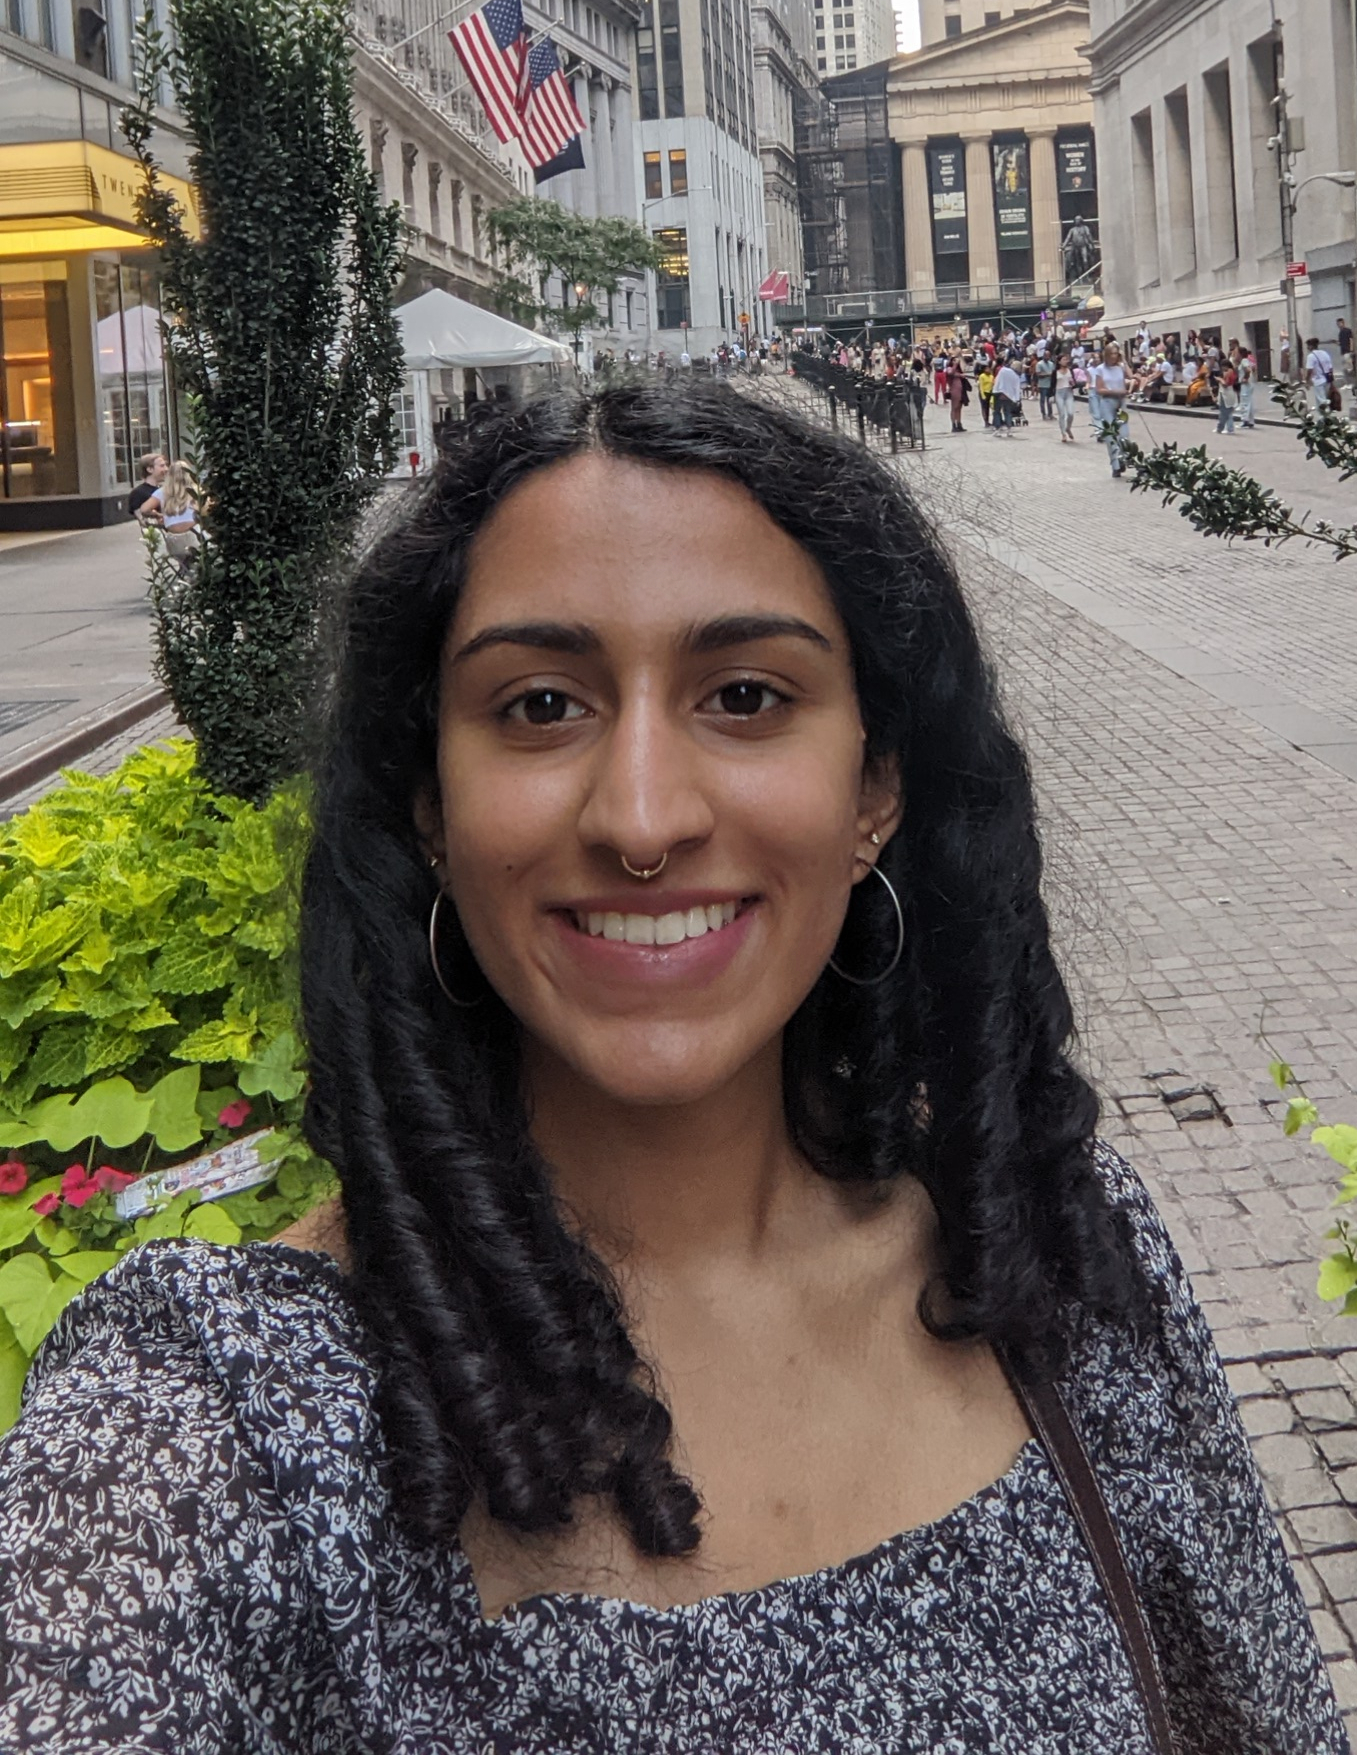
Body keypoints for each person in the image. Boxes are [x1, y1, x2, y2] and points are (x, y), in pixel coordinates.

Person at [0, 383, 1345, 1755]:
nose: (642, 817)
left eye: (746, 695)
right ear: (429, 807)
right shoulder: (215, 1416)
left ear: (873, 788)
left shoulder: (1059, 1263)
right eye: (539, 705)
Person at [1092, 342, 1129, 476]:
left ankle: (1124, 458)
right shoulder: (1100, 369)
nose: (1114, 356)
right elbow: (1099, 389)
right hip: (1107, 402)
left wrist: (1124, 360)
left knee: (1124, 434)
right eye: (1112, 353)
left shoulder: (1120, 367)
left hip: (1121, 403)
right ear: (1107, 355)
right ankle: (1115, 465)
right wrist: (1116, 391)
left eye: (1116, 353)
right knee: (1111, 435)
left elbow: (1131, 377)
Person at [128, 452, 167, 522]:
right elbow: (142, 520)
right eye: (162, 466)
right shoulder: (138, 493)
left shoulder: (163, 489)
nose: (166, 469)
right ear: (149, 469)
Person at [991, 356, 1022, 435]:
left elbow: (997, 380)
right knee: (1008, 412)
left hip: (999, 393)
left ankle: (997, 429)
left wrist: (995, 390)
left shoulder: (1003, 370)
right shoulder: (1016, 376)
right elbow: (1017, 388)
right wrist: (1017, 399)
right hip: (1009, 396)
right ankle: (1009, 429)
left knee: (997, 411)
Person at [1305, 336, 1335, 413]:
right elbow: (1330, 368)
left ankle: (1325, 418)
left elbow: (1309, 370)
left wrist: (1307, 381)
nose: (1307, 348)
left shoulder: (1311, 356)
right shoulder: (1325, 353)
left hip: (1318, 381)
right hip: (1327, 380)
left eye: (1308, 346)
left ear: (1311, 346)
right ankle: (1327, 415)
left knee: (1321, 401)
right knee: (1325, 399)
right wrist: (1331, 380)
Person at [1054, 351, 1077, 442]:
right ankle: (1063, 433)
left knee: (1071, 413)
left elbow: (1074, 382)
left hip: (1068, 392)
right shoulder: (1055, 372)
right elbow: (1052, 384)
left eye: (1066, 359)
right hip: (1059, 392)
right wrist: (1051, 396)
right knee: (1062, 414)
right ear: (1059, 361)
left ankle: (1068, 427)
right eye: (1063, 359)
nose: (1065, 361)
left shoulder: (1070, 370)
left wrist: (1073, 384)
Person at [946, 353, 969, 433]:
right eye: (954, 360)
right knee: (954, 408)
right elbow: (950, 373)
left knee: (959, 408)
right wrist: (955, 365)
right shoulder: (949, 368)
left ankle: (959, 423)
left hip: (961, 391)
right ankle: (953, 424)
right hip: (954, 391)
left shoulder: (959, 370)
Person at [1036, 352, 1057, 422]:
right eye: (1046, 356)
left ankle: (1050, 414)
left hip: (1050, 384)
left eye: (1048, 356)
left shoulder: (1051, 364)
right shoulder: (1039, 364)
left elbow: (1054, 373)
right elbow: (1038, 374)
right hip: (1042, 384)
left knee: (1049, 400)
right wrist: (1047, 374)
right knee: (1042, 400)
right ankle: (1043, 414)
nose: (1047, 357)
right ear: (1043, 356)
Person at [977, 359, 995, 427]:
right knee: (984, 407)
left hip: (990, 392)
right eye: (987, 369)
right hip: (984, 392)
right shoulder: (982, 376)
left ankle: (991, 420)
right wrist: (983, 395)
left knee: (990, 407)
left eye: (989, 369)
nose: (988, 370)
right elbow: (981, 386)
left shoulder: (991, 376)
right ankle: (986, 421)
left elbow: (993, 384)